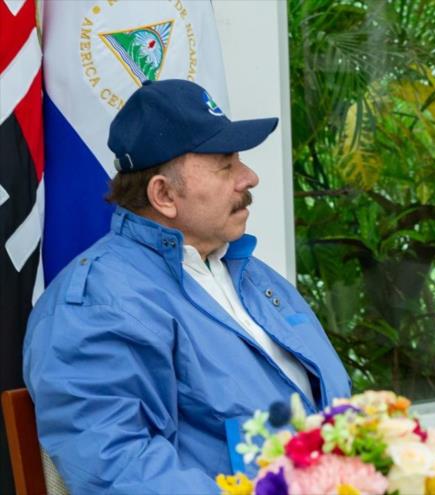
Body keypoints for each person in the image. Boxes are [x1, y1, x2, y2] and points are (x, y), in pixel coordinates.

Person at [23, 79, 351, 493]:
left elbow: (335, 402)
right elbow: (117, 467)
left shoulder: (251, 273)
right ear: (163, 195)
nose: (249, 178)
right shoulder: (96, 302)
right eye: (225, 164)